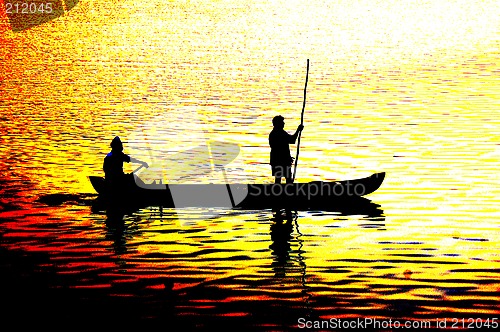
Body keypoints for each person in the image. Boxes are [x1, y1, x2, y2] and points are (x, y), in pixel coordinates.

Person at [269, 115, 304, 184]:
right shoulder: (279, 133)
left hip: (277, 160)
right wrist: (298, 130)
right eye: (282, 122)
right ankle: (288, 192)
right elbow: (292, 140)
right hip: (280, 160)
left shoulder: (276, 133)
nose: (283, 124)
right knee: (287, 177)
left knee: (279, 178)